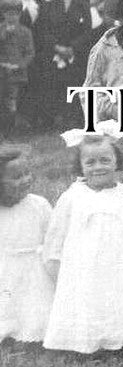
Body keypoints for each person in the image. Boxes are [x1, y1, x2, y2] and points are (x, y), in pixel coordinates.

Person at [42, 129, 123, 354]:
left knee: (114, 302)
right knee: (85, 303)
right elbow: (56, 236)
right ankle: (81, 342)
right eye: (90, 162)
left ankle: (114, 342)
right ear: (80, 167)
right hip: (82, 268)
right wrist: (58, 268)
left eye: (105, 160)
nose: (98, 167)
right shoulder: (72, 196)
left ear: (118, 162)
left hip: (117, 266)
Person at [0, 146, 54, 345]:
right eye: (16, 177)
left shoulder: (38, 204)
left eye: (27, 173)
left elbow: (52, 237)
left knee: (35, 310)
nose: (25, 180)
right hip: (5, 269)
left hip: (35, 270)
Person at [38, 0, 92, 129]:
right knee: (52, 85)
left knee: (73, 84)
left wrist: (72, 48)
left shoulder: (83, 6)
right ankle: (51, 119)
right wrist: (57, 47)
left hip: (74, 54)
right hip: (54, 53)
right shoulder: (50, 6)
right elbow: (43, 30)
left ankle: (71, 119)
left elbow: (87, 31)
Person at [0, 0, 33, 135]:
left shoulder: (25, 32)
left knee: (12, 103)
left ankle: (10, 131)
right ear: (3, 14)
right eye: (8, 14)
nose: (11, 17)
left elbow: (30, 53)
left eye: (15, 14)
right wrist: (4, 35)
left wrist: (19, 65)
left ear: (19, 15)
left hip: (17, 74)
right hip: (1, 71)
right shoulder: (1, 30)